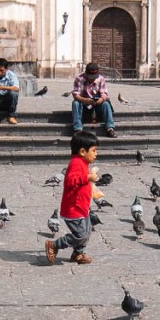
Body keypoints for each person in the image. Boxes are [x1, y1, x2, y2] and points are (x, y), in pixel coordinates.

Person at [45, 131, 99, 265]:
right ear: (82, 151)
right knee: (80, 234)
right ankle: (55, 245)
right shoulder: (76, 163)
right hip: (73, 208)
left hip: (82, 206)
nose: (96, 154)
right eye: (94, 150)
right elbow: (69, 181)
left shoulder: (83, 163)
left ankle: (78, 253)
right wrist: (86, 178)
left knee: (86, 232)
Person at [71, 62, 117, 138]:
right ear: (86, 74)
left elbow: (104, 94)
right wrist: (85, 100)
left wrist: (101, 99)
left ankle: (110, 128)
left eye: (94, 77)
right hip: (84, 104)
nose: (92, 79)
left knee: (106, 103)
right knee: (75, 103)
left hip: (97, 104)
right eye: (90, 77)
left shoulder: (100, 78)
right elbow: (76, 94)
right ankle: (77, 129)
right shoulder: (79, 78)